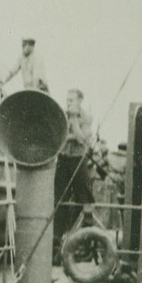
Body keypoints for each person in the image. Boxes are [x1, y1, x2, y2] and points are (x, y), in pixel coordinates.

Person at [55, 88, 95, 248]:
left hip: (78, 158)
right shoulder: (62, 115)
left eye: (72, 100)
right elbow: (59, 137)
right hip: (64, 158)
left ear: (79, 101)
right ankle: (56, 238)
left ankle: (86, 234)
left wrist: (73, 120)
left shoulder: (86, 117)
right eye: (67, 100)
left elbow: (81, 138)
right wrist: (72, 136)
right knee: (59, 196)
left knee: (85, 193)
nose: (68, 103)